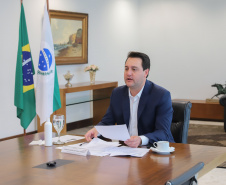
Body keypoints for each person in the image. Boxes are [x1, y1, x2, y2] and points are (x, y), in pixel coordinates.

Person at [85, 51, 174, 148]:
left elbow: (163, 132)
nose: (129, 73)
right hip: (126, 150)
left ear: (146, 72)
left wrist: (141, 140)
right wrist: (97, 130)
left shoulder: (161, 95)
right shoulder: (117, 93)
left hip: (153, 149)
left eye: (134, 69)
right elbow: (107, 122)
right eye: (126, 69)